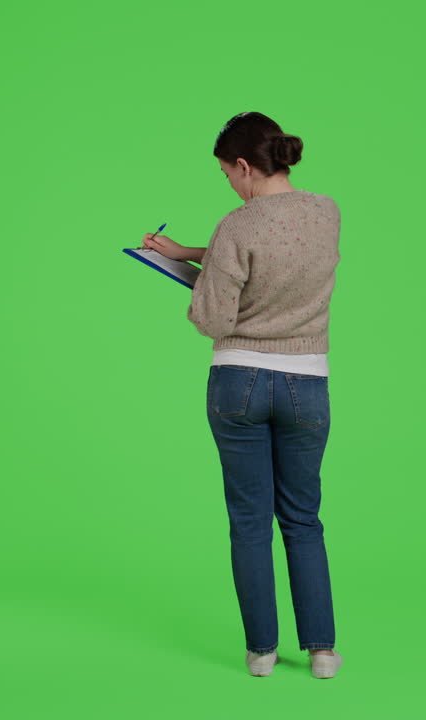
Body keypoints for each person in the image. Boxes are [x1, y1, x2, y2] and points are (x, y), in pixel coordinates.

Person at [141, 111, 343, 679]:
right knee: (303, 518)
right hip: (308, 382)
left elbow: (212, 318)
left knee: (250, 520)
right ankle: (323, 651)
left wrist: (185, 277)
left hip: (239, 382)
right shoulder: (327, 213)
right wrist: (189, 252)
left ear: (245, 165)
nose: (229, 184)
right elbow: (278, 252)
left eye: (228, 173)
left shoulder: (238, 224)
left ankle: (260, 653)